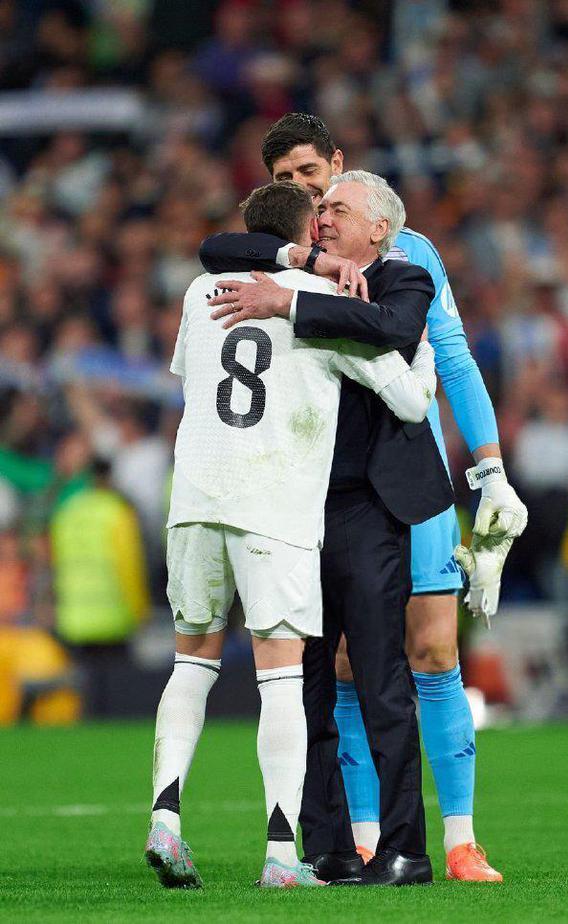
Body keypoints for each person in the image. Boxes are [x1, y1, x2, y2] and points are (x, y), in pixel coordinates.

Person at [201, 113, 527, 883]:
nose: (302, 191)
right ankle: (366, 835)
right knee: (343, 664)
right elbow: (218, 251)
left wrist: (489, 470)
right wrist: (302, 262)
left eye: (310, 175)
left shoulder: (407, 254)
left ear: (338, 166)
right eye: (284, 181)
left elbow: (451, 357)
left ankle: (459, 838)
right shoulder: (283, 256)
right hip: (322, 480)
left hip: (404, 477)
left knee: (432, 650)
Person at [144, 180, 440, 889]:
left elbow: (189, 372)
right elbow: (409, 400)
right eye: (322, 213)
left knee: (192, 662)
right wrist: (424, 355)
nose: (327, 221)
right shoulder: (324, 304)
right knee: (282, 677)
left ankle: (165, 817)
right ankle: (283, 853)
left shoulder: (199, 292)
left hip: (195, 499)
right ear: (306, 233)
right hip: (274, 507)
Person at [50, 456, 150, 717]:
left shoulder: (67, 512)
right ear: (109, 477)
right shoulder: (116, 512)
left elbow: (57, 561)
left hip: (75, 614)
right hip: (112, 613)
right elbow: (129, 565)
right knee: (117, 695)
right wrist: (140, 609)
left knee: (86, 689)